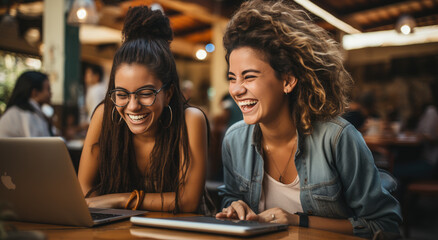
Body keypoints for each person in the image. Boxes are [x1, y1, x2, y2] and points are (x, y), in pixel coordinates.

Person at [215, 0, 402, 238]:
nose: (236, 90)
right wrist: (234, 207)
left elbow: (384, 225)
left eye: (249, 77)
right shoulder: (234, 140)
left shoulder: (337, 139)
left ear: (287, 81)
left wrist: (297, 221)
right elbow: (231, 196)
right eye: (232, 78)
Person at [78, 6, 209, 213]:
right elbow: (84, 191)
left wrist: (121, 200)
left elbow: (187, 201)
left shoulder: (190, 120)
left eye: (146, 93)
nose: (132, 106)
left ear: (169, 93)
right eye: (121, 94)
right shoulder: (104, 115)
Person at [0, 71, 54, 137]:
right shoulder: (25, 114)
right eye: (48, 89)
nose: (50, 94)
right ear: (35, 93)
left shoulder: (31, 112)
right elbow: (35, 145)